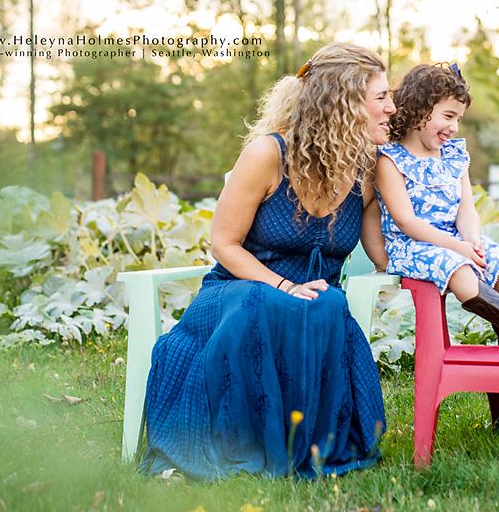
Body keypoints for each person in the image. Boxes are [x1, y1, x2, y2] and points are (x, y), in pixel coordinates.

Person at [139, 42, 396, 480]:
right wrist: (284, 286)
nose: (392, 107)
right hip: (237, 296)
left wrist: (444, 231)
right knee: (266, 305)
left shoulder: (367, 173)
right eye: (382, 97)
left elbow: (385, 256)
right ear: (344, 104)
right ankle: (236, 449)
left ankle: (308, 449)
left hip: (312, 306)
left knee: (332, 303)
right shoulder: (267, 155)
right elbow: (224, 244)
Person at [374, 63, 499, 349]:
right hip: (412, 245)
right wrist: (457, 248)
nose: (454, 127)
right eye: (448, 116)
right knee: (458, 268)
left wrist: (471, 240)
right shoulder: (390, 160)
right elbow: (407, 221)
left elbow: (466, 209)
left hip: (456, 239)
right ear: (419, 108)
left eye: (458, 118)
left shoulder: (454, 155)